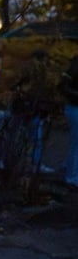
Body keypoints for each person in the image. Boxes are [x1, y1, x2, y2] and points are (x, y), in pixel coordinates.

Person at [60, 55, 78, 190]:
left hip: (72, 106)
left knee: (75, 142)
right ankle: (71, 176)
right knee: (76, 143)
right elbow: (62, 86)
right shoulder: (74, 68)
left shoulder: (72, 66)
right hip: (74, 107)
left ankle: (67, 167)